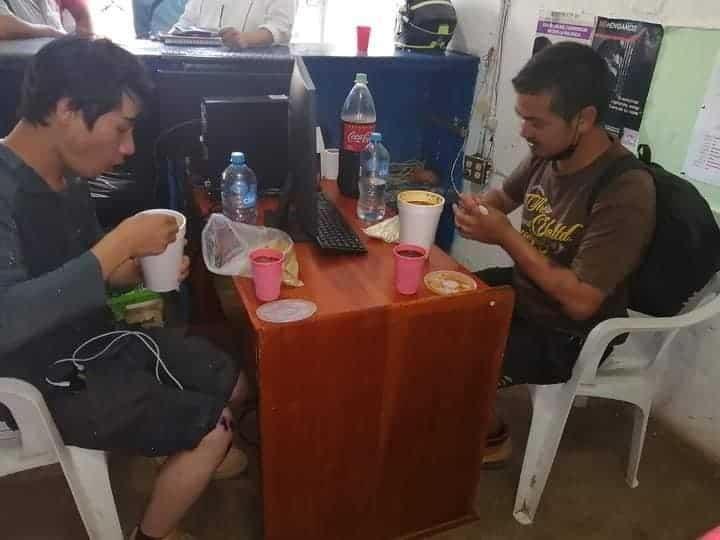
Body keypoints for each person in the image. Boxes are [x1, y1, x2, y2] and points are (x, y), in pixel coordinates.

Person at [0, 37, 249, 540]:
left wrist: (136, 270)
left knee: (236, 381)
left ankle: (169, 451)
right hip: (41, 378)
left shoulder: (67, 178)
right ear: (67, 110)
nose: (129, 148)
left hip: (96, 342)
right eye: (121, 128)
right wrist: (115, 247)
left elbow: (93, 271)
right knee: (215, 430)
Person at [452, 42, 656, 466]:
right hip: (529, 295)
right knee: (434, 310)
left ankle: (492, 437)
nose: (524, 131)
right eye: (522, 118)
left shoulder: (625, 189)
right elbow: (502, 199)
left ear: (584, 120)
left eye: (535, 121)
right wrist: (474, 210)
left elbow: (581, 302)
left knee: (459, 353)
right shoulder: (549, 154)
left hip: (569, 332)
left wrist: (505, 236)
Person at [172, 0, 295, 49]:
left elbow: (279, 28)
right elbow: (185, 23)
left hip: (251, 73)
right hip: (197, 69)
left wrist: (244, 39)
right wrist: (170, 36)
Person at [0, 0, 92, 40]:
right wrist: (50, 32)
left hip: (58, 60)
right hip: (18, 69)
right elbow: (3, 27)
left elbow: (82, 13)